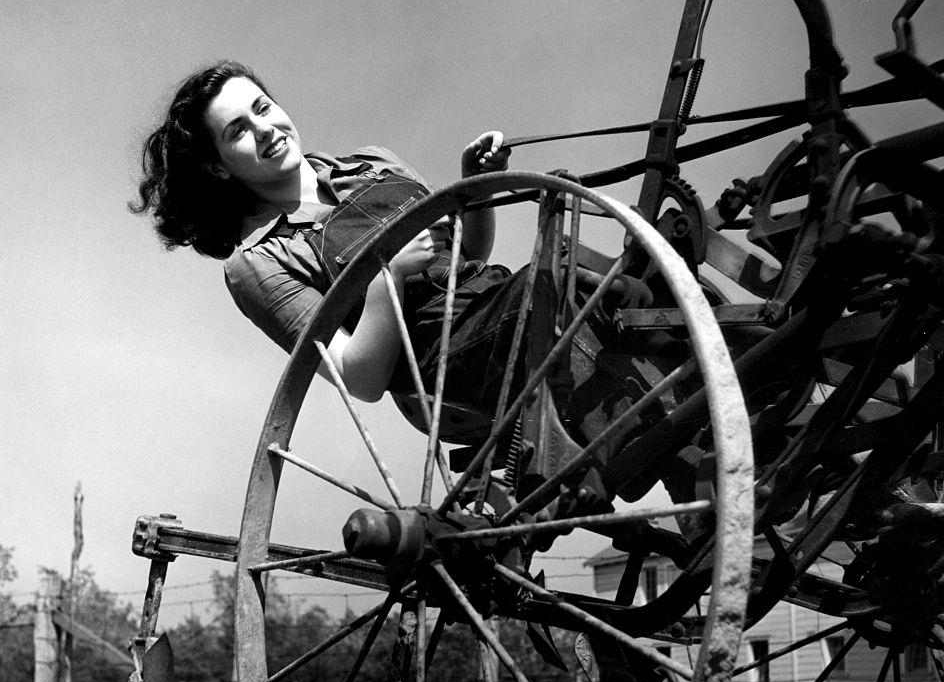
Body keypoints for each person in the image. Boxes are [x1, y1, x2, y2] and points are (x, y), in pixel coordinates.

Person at [131, 60, 674, 486]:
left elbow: (466, 255)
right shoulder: (259, 265)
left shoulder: (371, 161)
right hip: (442, 365)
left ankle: (722, 385)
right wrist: (385, 280)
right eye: (238, 131)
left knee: (621, 275)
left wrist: (475, 188)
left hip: (494, 302)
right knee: (556, 283)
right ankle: (661, 441)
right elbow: (359, 378)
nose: (266, 128)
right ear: (217, 165)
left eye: (264, 106)